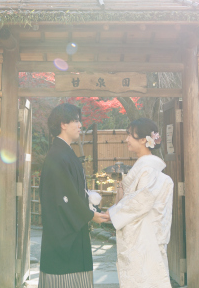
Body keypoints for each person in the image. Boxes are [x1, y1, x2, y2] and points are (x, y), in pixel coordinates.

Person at [39, 103, 109, 288]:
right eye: (76, 121)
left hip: (70, 228)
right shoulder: (58, 156)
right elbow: (65, 196)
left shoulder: (65, 153)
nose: (80, 125)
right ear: (63, 123)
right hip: (62, 232)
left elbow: (73, 193)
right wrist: (89, 215)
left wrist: (91, 210)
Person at [106, 118, 173, 288]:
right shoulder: (145, 166)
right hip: (140, 237)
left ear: (143, 140)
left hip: (144, 238)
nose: (126, 139)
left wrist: (112, 213)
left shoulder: (149, 168)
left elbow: (142, 201)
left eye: (130, 135)